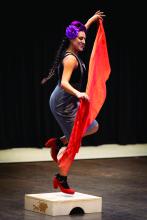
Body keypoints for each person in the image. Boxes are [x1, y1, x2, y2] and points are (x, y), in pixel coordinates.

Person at [41, 10, 105, 194]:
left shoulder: (74, 51)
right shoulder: (70, 59)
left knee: (93, 126)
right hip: (62, 103)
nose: (83, 41)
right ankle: (61, 178)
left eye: (84, 38)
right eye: (80, 39)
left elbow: (80, 30)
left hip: (68, 100)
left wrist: (91, 20)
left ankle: (59, 143)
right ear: (71, 39)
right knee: (75, 142)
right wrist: (79, 94)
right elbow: (63, 83)